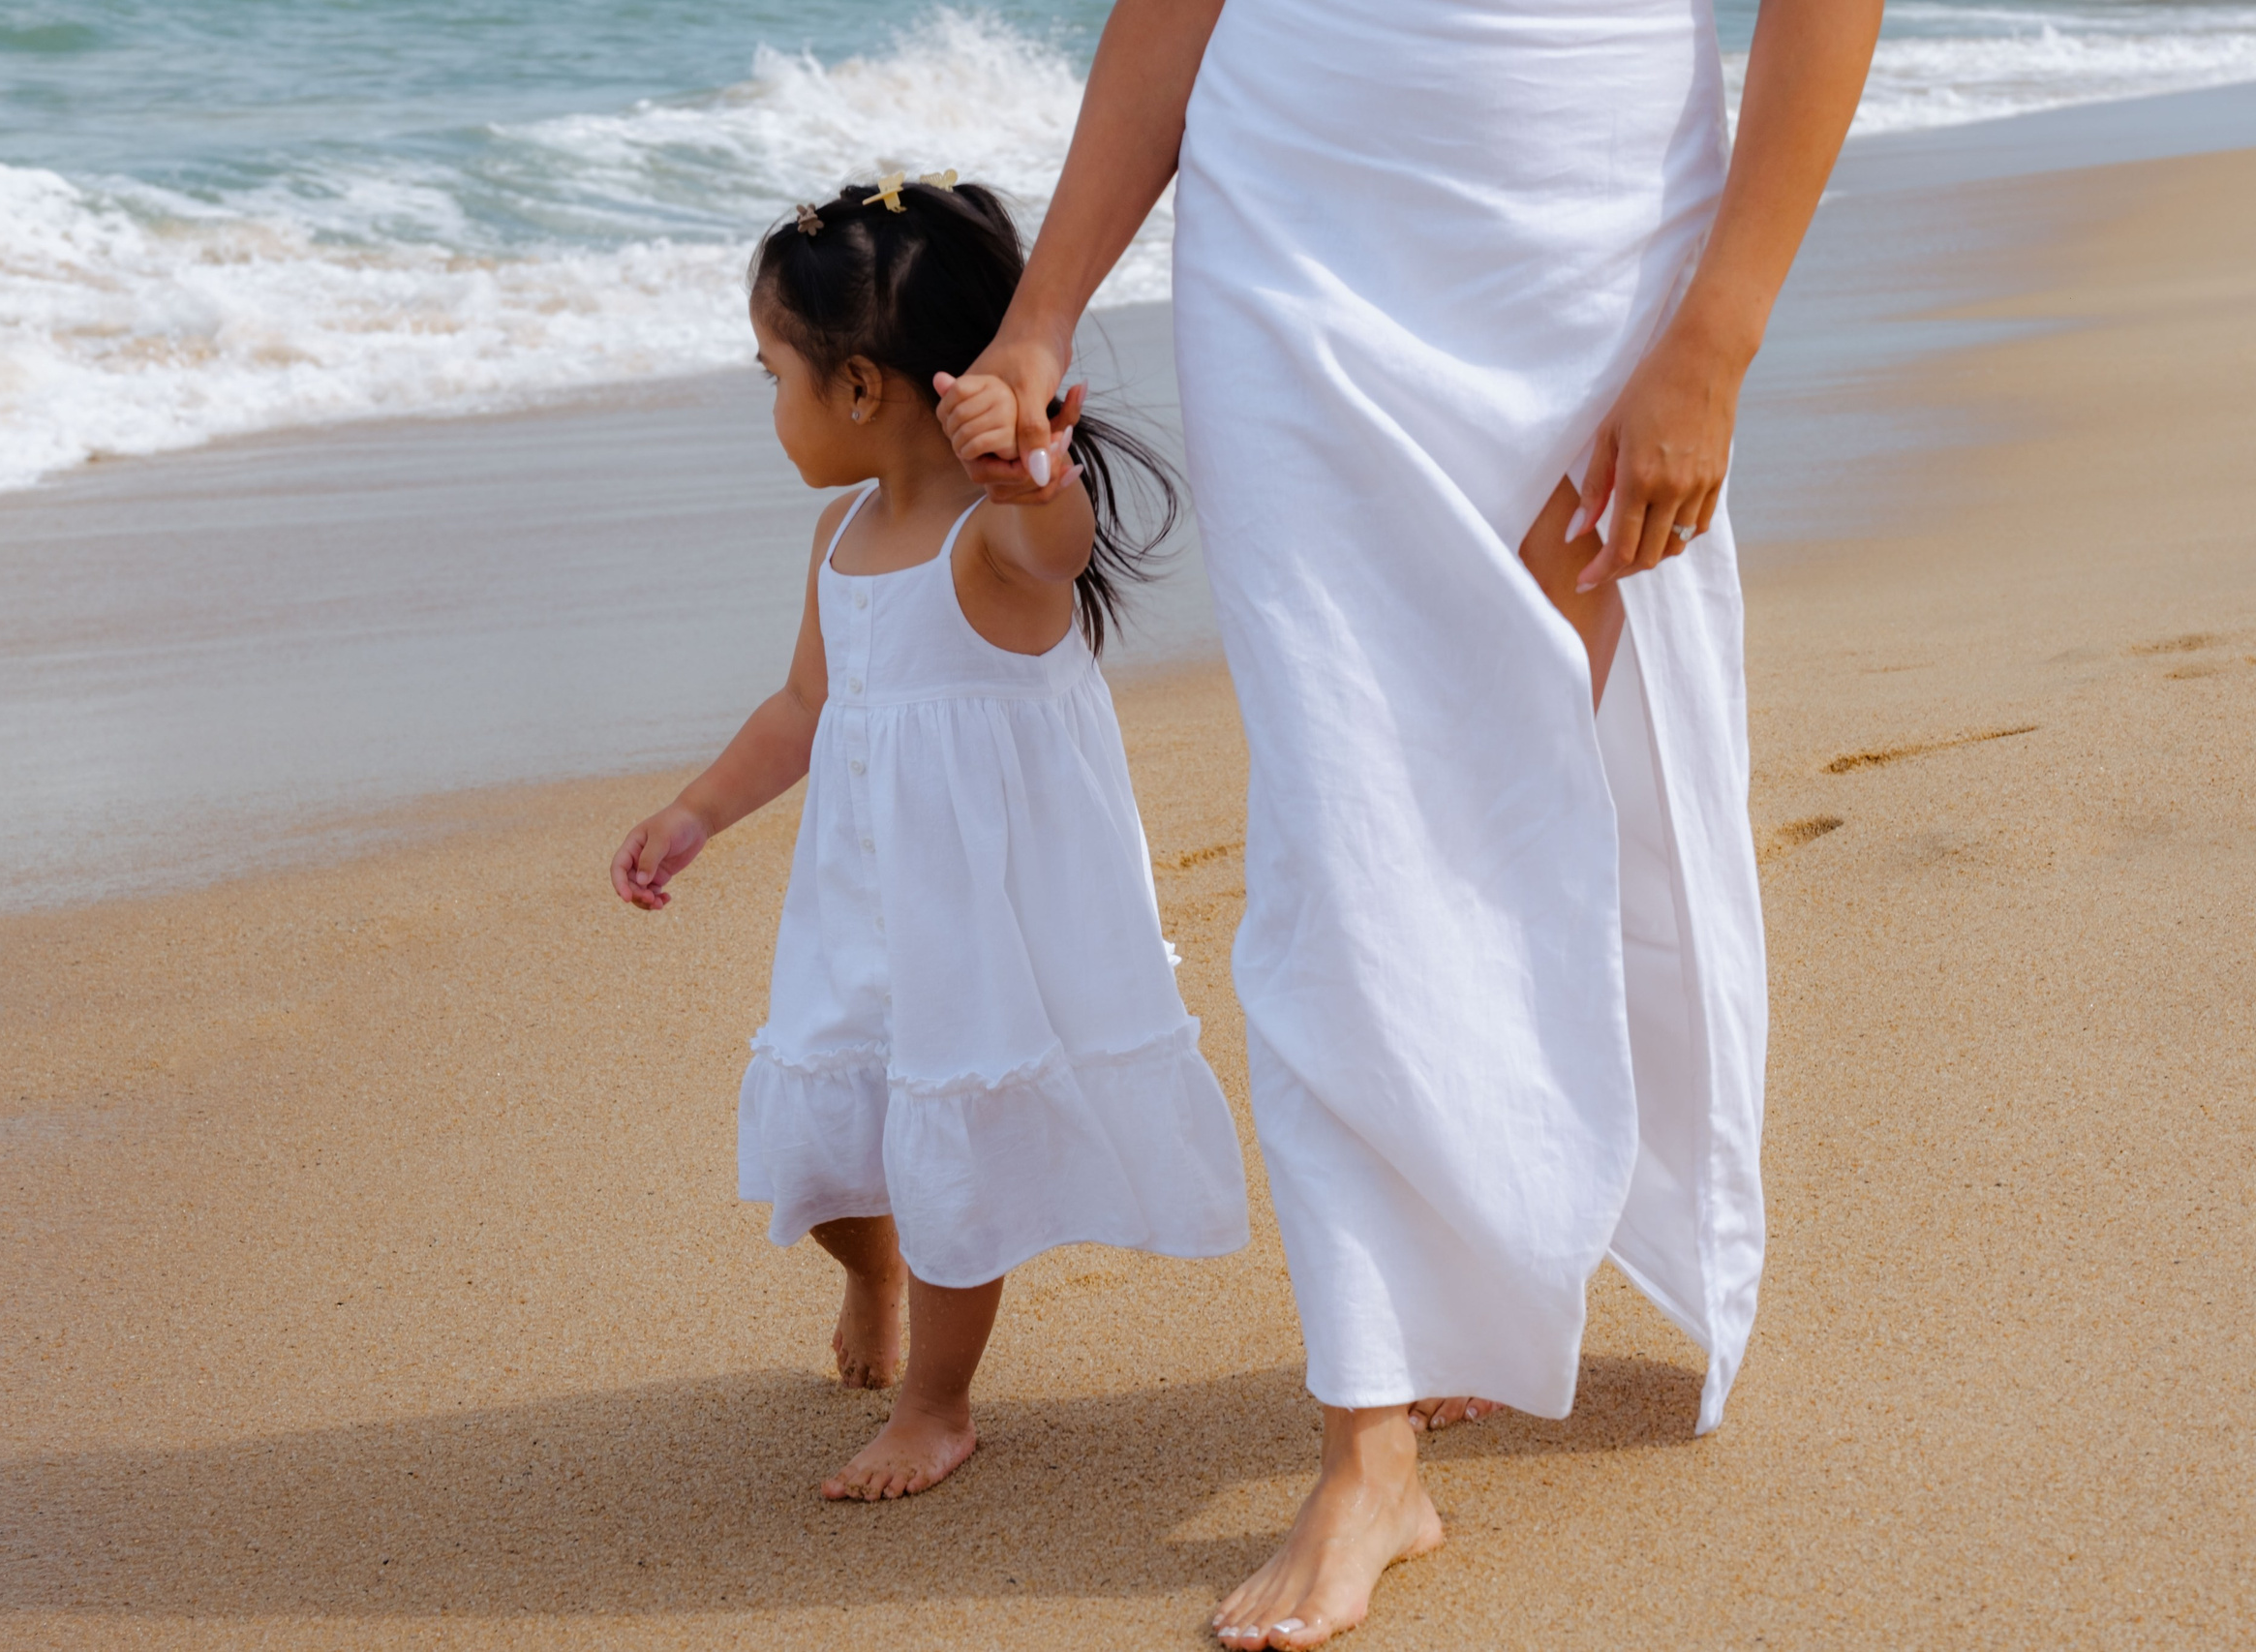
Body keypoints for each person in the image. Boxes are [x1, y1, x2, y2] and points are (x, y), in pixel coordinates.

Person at [934, 0, 1881, 1642]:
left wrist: (1714, 342)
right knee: (1344, 818)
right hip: (1291, 247)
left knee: (1519, 779)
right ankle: (1368, 1442)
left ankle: (1486, 1250)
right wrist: (1040, 317)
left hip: (1589, 251)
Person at [611, 175, 1249, 1504]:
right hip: (863, 897)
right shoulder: (840, 537)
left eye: (774, 373)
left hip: (985, 916)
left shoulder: (991, 543)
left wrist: (1036, 467)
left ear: (856, 391)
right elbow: (803, 705)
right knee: (824, 1140)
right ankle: (872, 1264)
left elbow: (1059, 545)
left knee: (956, 1135)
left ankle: (940, 1403)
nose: (769, 404)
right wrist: (697, 811)